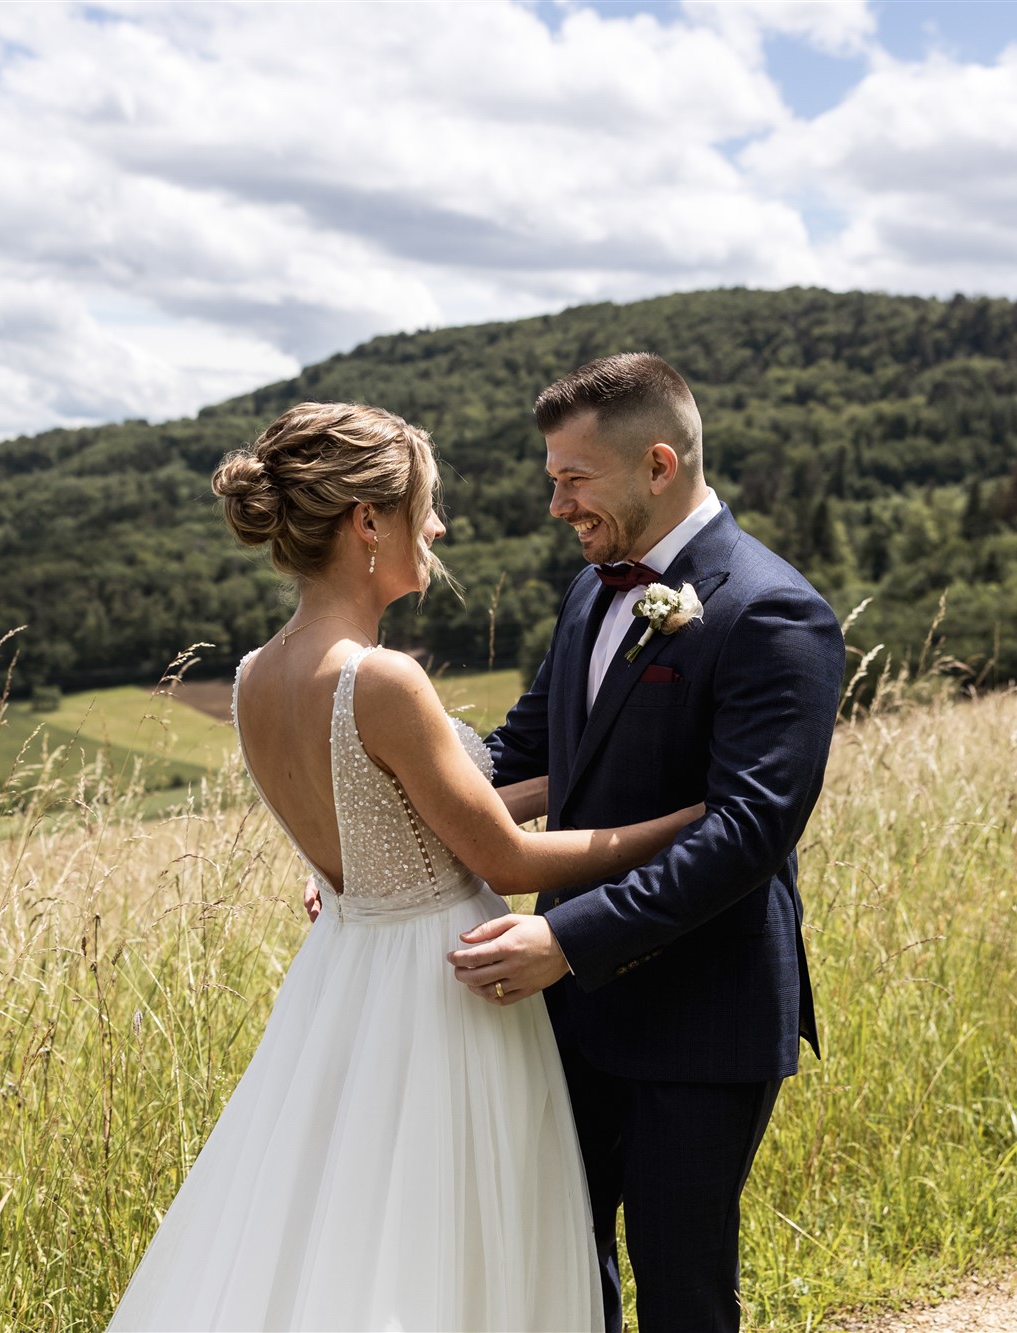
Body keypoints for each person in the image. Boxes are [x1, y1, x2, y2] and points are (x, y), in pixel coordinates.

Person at [107, 401, 704, 1331]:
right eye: (425, 505)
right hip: (446, 986)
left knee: (342, 1237)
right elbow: (499, 853)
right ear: (367, 522)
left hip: (346, 977)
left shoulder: (255, 676)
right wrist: (688, 818)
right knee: (452, 1253)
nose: (437, 527)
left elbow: (404, 813)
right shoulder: (381, 680)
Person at [450, 353, 845, 1332]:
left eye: (570, 479)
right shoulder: (589, 592)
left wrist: (567, 939)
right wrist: (393, 851)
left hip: (700, 1016)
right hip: (568, 1011)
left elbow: (746, 831)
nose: (555, 505)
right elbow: (519, 752)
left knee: (681, 1288)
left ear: (656, 462)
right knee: (562, 1273)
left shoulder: (773, 612)